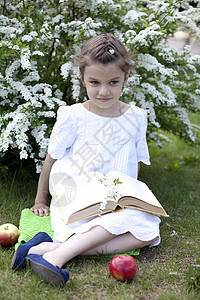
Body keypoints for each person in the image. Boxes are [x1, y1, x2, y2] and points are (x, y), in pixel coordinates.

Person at [11, 33, 161, 286]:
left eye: (113, 82)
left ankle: (46, 249)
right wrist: (40, 199)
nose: (104, 91)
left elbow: (134, 161)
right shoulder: (72, 116)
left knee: (149, 231)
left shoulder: (136, 117)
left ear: (126, 78)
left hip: (114, 199)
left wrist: (131, 197)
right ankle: (56, 258)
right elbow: (51, 159)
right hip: (77, 196)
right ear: (82, 79)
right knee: (129, 224)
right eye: (94, 82)